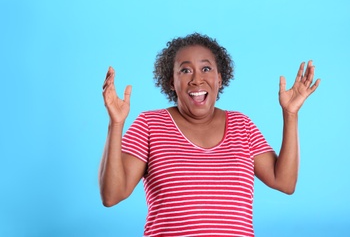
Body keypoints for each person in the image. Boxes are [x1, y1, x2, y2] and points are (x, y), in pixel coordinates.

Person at [99, 33, 320, 236]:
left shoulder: (242, 125)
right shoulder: (149, 124)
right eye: (185, 70)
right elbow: (112, 195)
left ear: (220, 79)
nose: (197, 79)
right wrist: (115, 124)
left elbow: (285, 182)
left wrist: (290, 114)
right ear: (172, 83)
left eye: (206, 69)